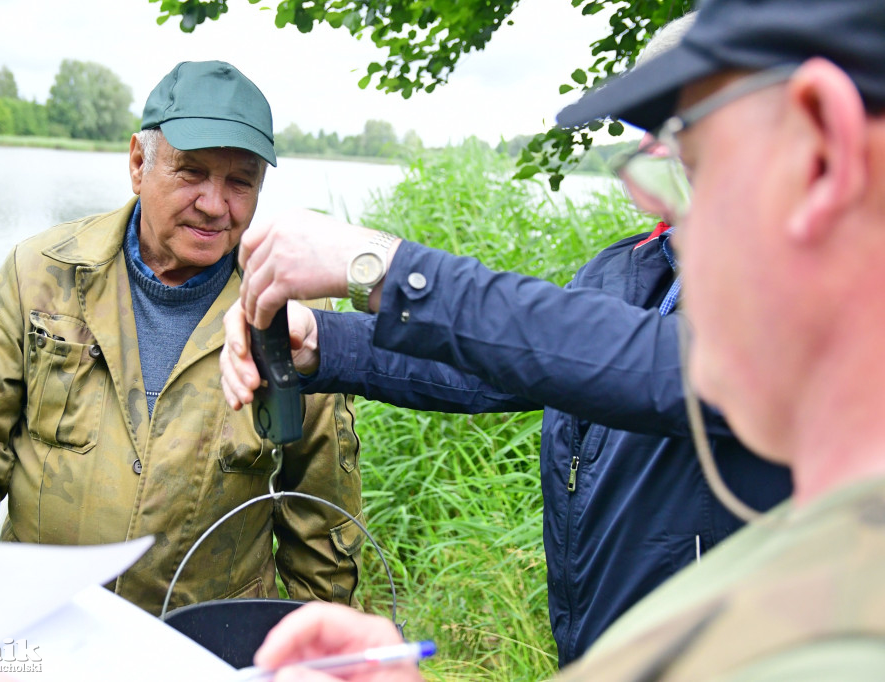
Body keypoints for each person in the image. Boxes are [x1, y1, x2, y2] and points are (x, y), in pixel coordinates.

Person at [236, 0, 885, 678]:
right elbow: (533, 362)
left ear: (824, 151)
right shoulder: (629, 268)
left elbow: (652, 364)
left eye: (690, 144)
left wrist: (383, 266)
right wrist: (325, 343)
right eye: (648, 137)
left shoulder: (833, 609)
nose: (651, 168)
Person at [0, 61, 364, 618]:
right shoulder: (40, 273)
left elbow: (321, 510)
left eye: (241, 181)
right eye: (191, 172)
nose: (216, 204)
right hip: (37, 625)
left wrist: (327, 643)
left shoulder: (293, 316)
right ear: (139, 163)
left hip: (205, 647)